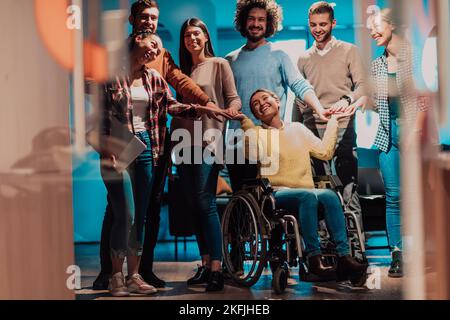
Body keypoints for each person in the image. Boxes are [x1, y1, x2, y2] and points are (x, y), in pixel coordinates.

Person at [94, 0, 222, 290]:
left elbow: (177, 88)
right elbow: (100, 107)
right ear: (133, 19)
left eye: (154, 18)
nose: (149, 22)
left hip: (152, 144)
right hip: (120, 144)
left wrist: (206, 104)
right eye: (145, 17)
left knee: (145, 210)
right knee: (118, 210)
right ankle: (109, 273)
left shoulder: (158, 62)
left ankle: (141, 271)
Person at [235, 89, 367, 284]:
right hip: (277, 194)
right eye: (255, 104)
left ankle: (344, 257)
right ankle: (313, 258)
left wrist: (333, 121)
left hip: (308, 193)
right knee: (308, 196)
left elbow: (324, 152)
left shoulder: (298, 129)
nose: (261, 103)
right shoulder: (256, 133)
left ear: (277, 102)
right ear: (255, 114)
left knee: (329, 196)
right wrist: (245, 124)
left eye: (265, 98)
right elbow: (252, 154)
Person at [225, 0, 328, 193]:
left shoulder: (279, 55)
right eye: (251, 19)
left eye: (261, 20)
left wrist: (319, 109)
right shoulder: (229, 60)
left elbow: (300, 85)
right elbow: (224, 103)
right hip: (237, 142)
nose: (256, 24)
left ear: (269, 23)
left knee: (272, 205)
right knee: (240, 204)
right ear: (243, 21)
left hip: (271, 142)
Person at [171, 18, 242, 292]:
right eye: (187, 35)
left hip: (208, 142)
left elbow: (233, 98)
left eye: (196, 33)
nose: (192, 38)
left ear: (206, 37)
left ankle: (217, 267)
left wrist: (231, 111)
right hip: (182, 142)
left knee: (205, 202)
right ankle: (204, 264)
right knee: (192, 206)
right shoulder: (180, 71)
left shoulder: (219, 64)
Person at [366, 8, 429, 277]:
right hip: (386, 135)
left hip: (414, 130)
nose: (373, 32)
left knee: (419, 196)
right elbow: (373, 101)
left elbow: (425, 98)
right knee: (393, 197)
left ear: (393, 25)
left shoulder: (414, 56)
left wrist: (415, 129)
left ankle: (424, 251)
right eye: (370, 28)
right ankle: (398, 255)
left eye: (377, 26)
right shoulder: (376, 64)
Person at [294, 1, 367, 231]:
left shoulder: (349, 50)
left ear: (333, 23)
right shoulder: (303, 58)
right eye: (314, 25)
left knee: (348, 190)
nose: (318, 29)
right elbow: (299, 98)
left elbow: (363, 86)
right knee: (321, 194)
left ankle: (356, 251)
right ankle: (328, 253)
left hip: (343, 128)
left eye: (323, 24)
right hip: (312, 132)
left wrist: (346, 101)